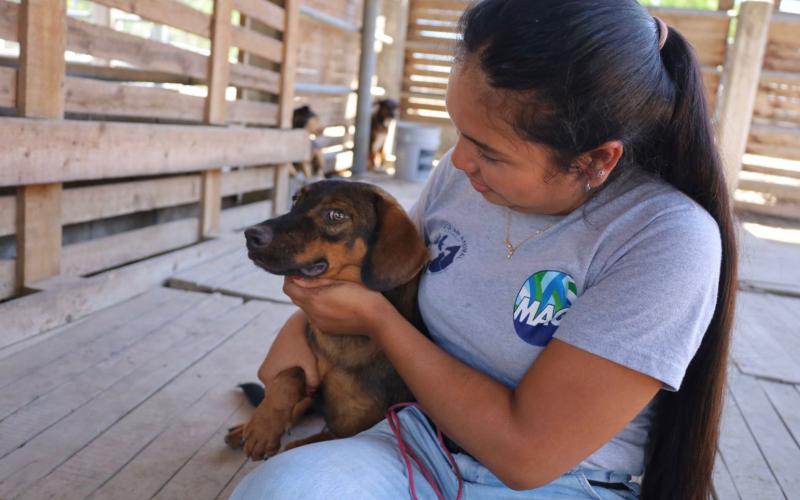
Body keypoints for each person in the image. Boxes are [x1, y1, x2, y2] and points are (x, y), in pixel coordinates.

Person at [230, 0, 737, 498]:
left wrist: (378, 322)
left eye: (490, 151)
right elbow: (389, 274)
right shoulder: (465, 174)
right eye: (459, 131)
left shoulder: (664, 237)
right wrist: (304, 326)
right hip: (413, 438)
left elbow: (526, 456)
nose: (459, 159)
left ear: (595, 161)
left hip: (559, 482)